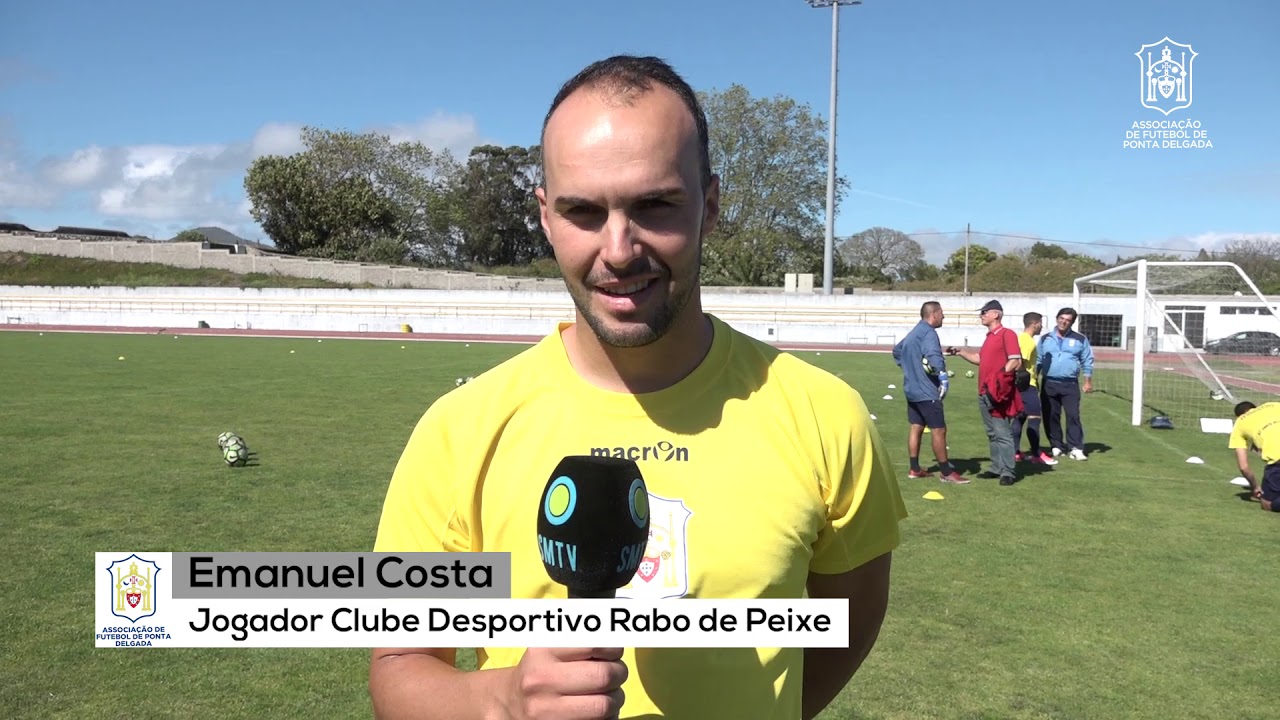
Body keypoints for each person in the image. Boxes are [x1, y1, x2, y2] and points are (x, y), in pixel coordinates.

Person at [367, 55, 908, 720]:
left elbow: (848, 617)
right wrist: (503, 698)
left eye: (654, 206)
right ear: (545, 216)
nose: (619, 249)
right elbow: (399, 667)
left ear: (710, 207)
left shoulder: (825, 416)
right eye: (583, 211)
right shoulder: (459, 431)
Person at [947, 300, 1024, 486]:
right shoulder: (990, 336)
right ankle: (996, 468)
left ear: (996, 314)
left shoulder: (1007, 334)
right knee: (992, 432)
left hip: (997, 394)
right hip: (984, 392)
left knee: (1002, 432)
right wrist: (961, 352)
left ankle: (1008, 472)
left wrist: (999, 382)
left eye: (984, 312)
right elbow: (981, 359)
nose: (981, 315)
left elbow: (1015, 360)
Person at [891, 301, 968, 483]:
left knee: (916, 427)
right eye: (942, 313)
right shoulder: (929, 333)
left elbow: (897, 351)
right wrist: (942, 375)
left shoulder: (915, 331)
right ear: (934, 314)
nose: (943, 317)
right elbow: (933, 355)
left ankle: (914, 468)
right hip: (926, 391)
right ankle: (946, 472)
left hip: (911, 389)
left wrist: (911, 368)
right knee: (939, 430)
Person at [1036, 307, 1094, 461]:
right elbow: (1038, 361)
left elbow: (1087, 360)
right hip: (1049, 383)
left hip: (1070, 384)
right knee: (1051, 416)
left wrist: (1088, 381)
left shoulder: (1080, 339)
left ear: (1072, 323)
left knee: (1073, 415)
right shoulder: (1045, 339)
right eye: (1062, 318)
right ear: (1057, 318)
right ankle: (1056, 445)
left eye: (1068, 320)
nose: (1064, 322)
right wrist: (1033, 380)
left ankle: (1075, 447)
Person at [1012, 312, 1057, 466]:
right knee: (1034, 419)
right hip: (1027, 386)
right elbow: (1020, 362)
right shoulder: (1028, 341)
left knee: (1019, 418)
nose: (1041, 327)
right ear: (1035, 323)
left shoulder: (1019, 338)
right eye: (1040, 323)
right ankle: (1037, 454)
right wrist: (1023, 381)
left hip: (1020, 386)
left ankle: (1015, 452)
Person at [1229, 400, 1280, 513]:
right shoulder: (1273, 405)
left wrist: (1255, 486)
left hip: (1277, 462)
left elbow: (1243, 467)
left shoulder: (1240, 423)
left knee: (1267, 504)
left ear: (1239, 415)